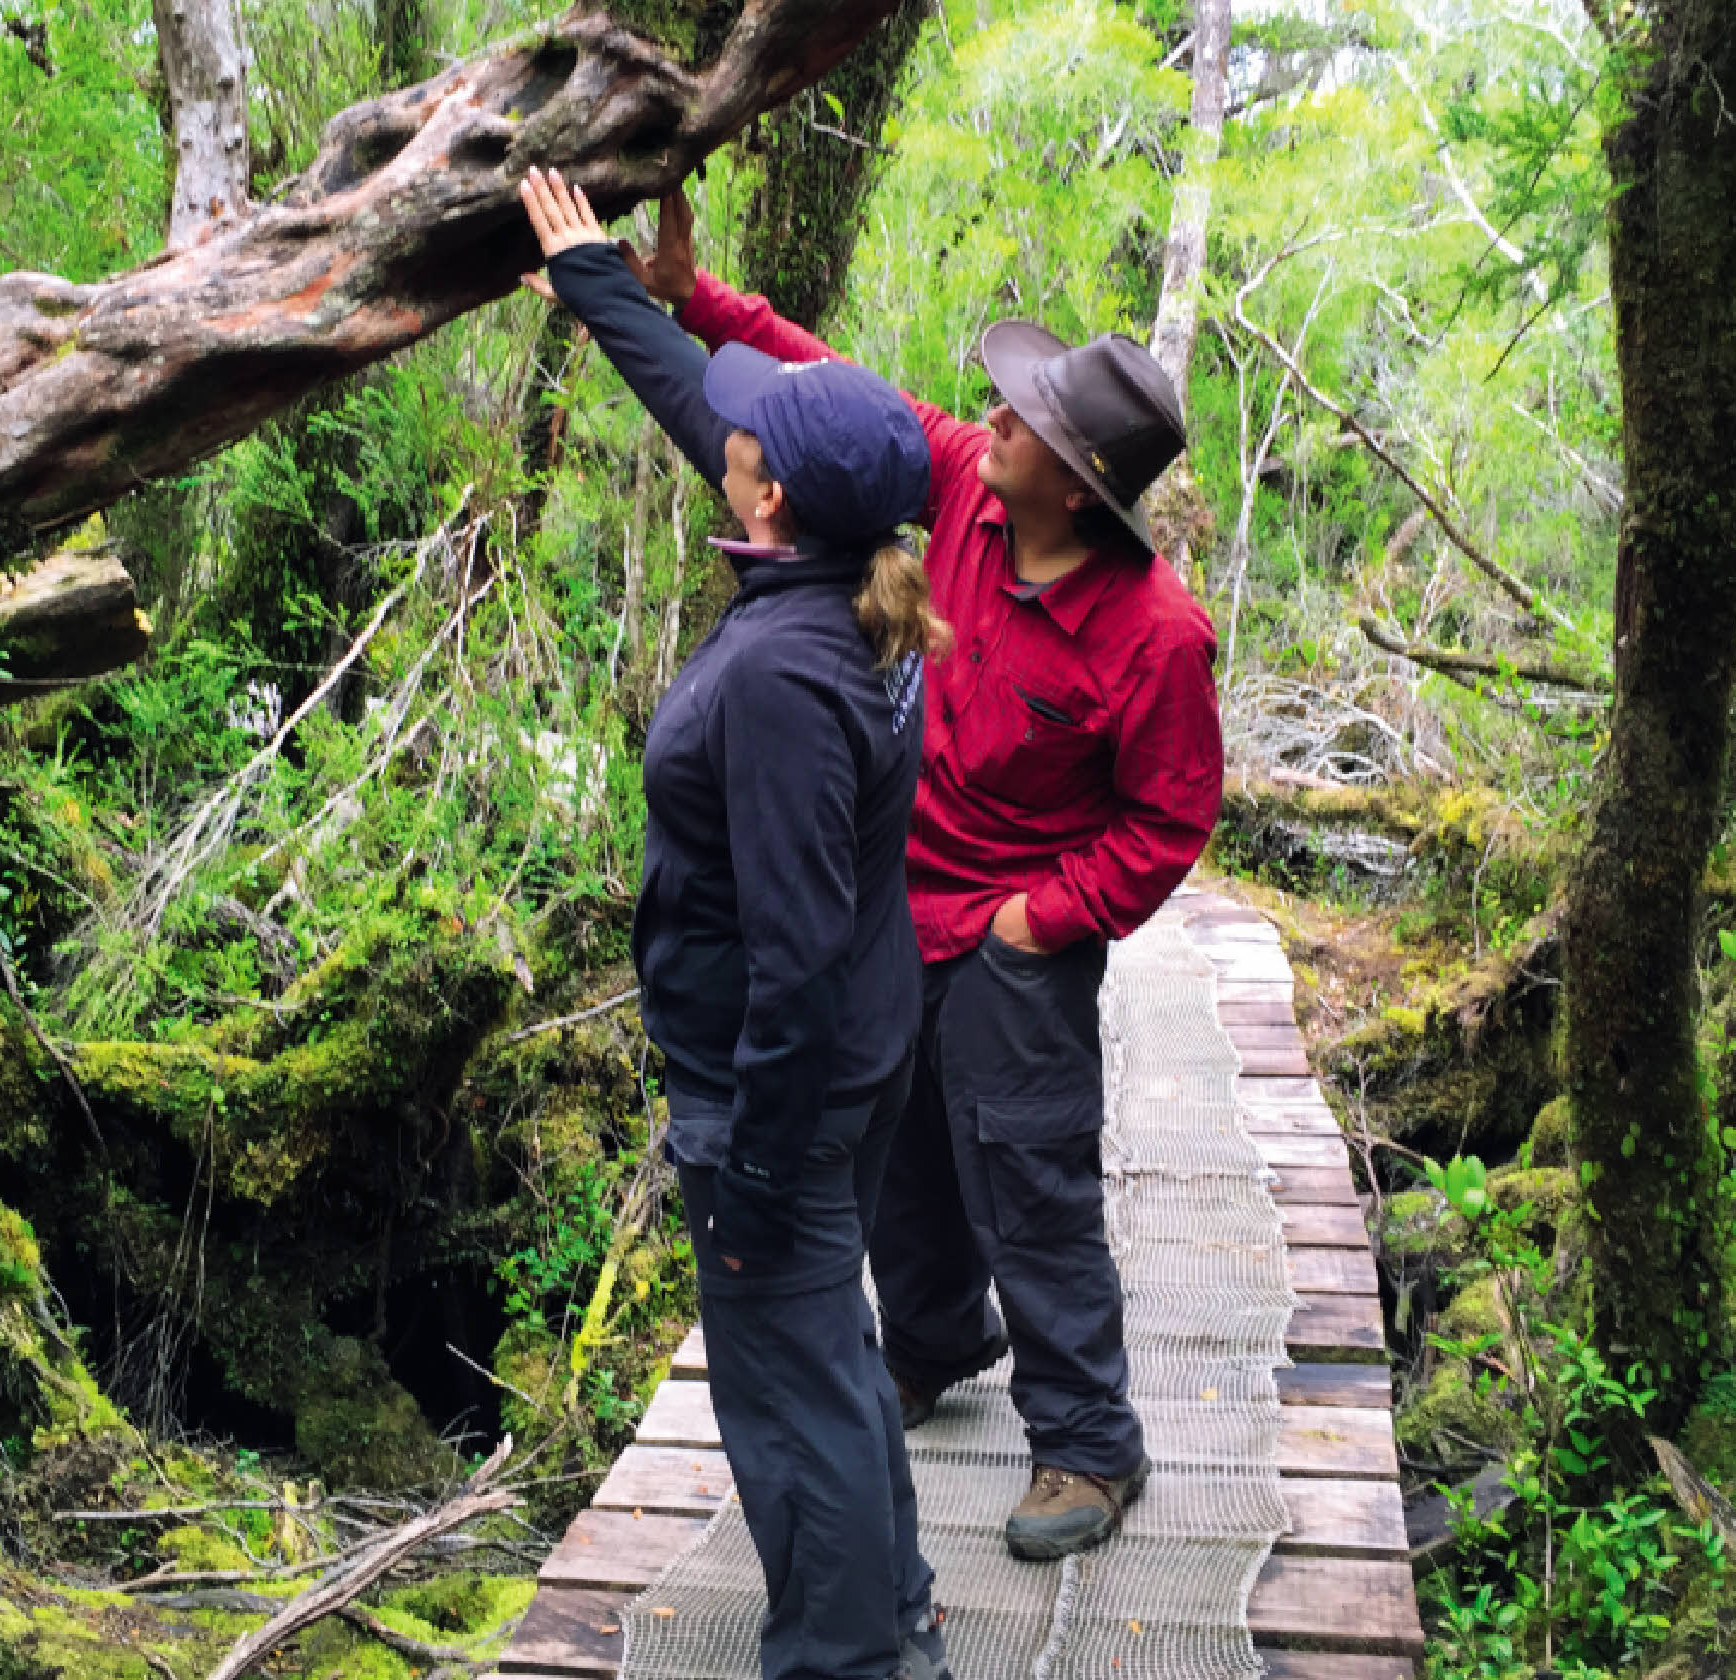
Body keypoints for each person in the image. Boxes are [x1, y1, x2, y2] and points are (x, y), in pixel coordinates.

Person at [617, 191, 1225, 1562]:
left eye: (1024, 422)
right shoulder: (958, 486)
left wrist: (1041, 919)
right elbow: (829, 380)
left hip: (1016, 938)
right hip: (892, 902)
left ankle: (1085, 1442)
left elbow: (1172, 818)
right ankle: (939, 1342)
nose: (988, 420)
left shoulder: (1155, 635)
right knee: (898, 1168)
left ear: (1075, 480)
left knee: (1030, 1178)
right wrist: (690, 297)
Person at [516, 169, 953, 1680]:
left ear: (773, 498)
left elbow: (793, 951)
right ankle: (892, 1612)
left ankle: (848, 1655)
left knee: (785, 1379)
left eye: (749, 433)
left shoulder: (781, 679)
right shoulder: (846, 575)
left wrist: (756, 1149)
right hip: (861, 1050)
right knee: (827, 1349)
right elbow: (702, 410)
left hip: (786, 1083)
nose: (730, 427)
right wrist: (597, 287)